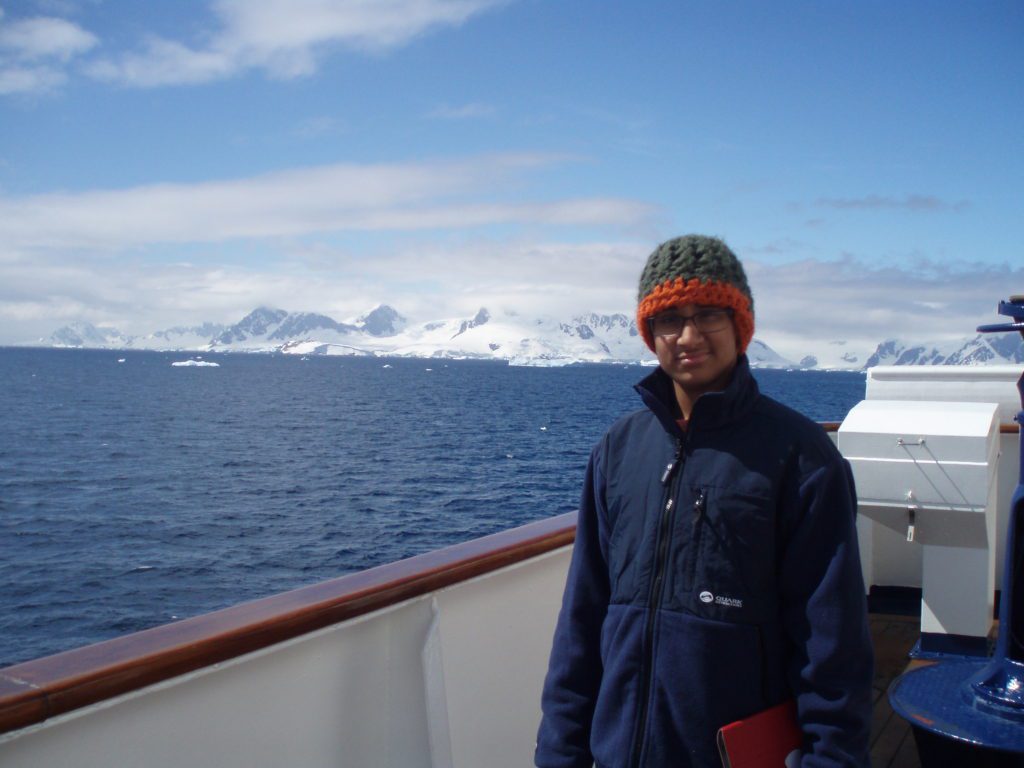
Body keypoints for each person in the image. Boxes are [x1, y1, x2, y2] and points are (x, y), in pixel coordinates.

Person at [535, 235, 873, 767]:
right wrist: (560, 752)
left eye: (709, 314)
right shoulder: (618, 452)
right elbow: (582, 620)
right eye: (669, 318)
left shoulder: (801, 459)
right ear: (650, 333)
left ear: (741, 325)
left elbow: (832, 646)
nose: (688, 335)